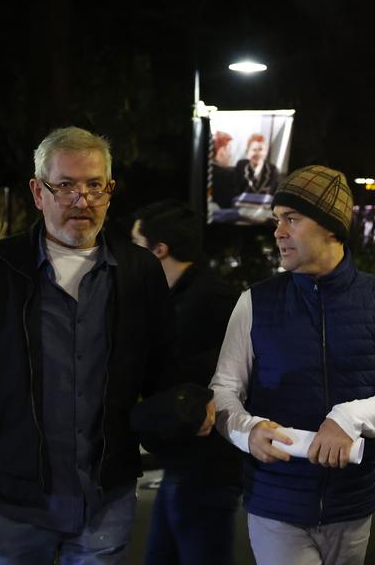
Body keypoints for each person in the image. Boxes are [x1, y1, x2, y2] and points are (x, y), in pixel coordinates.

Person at [0, 126, 215, 565]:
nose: (81, 200)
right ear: (38, 191)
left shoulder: (139, 271)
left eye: (94, 186)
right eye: (65, 185)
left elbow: (165, 372)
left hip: (106, 501)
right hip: (10, 506)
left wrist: (193, 401)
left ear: (110, 191)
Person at [209, 164, 375, 565]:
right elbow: (223, 391)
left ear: (331, 228)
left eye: (292, 219)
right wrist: (247, 432)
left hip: (352, 502)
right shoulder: (255, 302)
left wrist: (348, 417)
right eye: (276, 220)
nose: (278, 232)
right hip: (275, 500)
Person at [131, 201, 243, 565]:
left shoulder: (213, 299)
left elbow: (238, 370)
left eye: (137, 244)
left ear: (159, 249)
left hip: (207, 468)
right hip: (181, 465)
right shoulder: (172, 298)